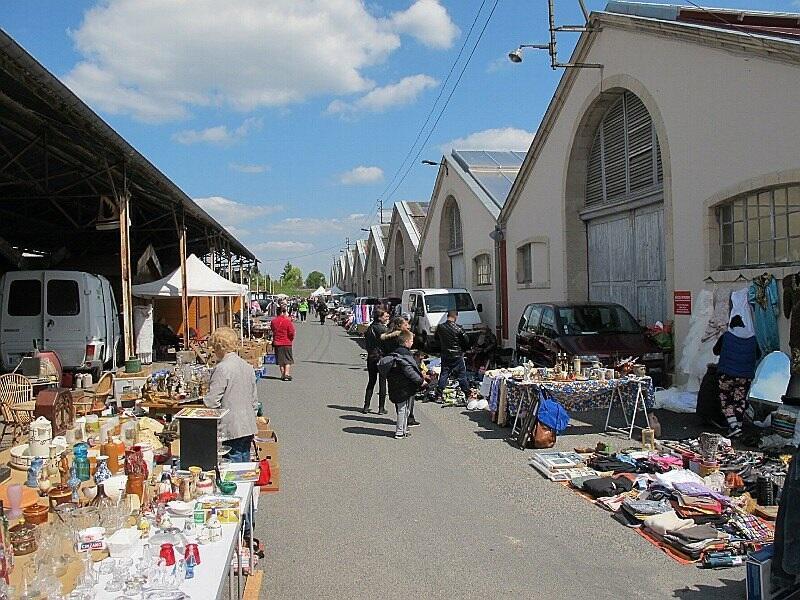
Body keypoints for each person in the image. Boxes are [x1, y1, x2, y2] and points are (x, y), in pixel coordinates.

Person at [203, 327, 258, 462]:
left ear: (220, 347)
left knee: (234, 462)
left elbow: (212, 401)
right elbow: (254, 399)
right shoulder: (246, 366)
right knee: (244, 459)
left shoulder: (222, 368)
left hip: (232, 425)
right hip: (248, 422)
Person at [713, 314, 759, 437]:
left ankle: (733, 425)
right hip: (745, 375)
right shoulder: (752, 338)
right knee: (740, 399)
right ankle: (738, 425)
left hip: (727, 374)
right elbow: (758, 355)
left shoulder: (727, 336)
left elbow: (715, 350)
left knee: (726, 399)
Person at [380, 330, 426, 439]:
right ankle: (400, 432)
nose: (412, 343)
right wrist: (421, 381)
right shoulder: (405, 355)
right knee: (403, 410)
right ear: (406, 342)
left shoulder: (395, 353)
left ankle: (404, 429)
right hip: (404, 387)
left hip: (395, 385)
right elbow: (410, 371)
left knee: (404, 409)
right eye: (411, 341)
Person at [380, 316, 420, 426]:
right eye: (406, 324)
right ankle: (407, 419)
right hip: (402, 367)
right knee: (408, 394)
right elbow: (404, 354)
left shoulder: (386, 337)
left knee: (396, 392)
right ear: (399, 326)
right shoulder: (401, 338)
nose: (408, 326)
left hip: (390, 367)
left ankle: (401, 417)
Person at [436, 310, 471, 400]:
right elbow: (466, 340)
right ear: (455, 316)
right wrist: (464, 349)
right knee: (461, 375)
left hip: (445, 354)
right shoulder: (458, 328)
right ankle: (467, 392)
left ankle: (439, 393)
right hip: (457, 354)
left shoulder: (440, 327)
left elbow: (436, 338)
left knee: (444, 373)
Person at [363, 308, 389, 414]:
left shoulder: (370, 328)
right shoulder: (382, 329)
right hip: (381, 358)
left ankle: (366, 406)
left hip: (371, 357)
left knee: (371, 382)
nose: (387, 318)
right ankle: (381, 408)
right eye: (385, 316)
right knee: (382, 382)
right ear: (379, 317)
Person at [271, 306, 296, 381]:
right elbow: (291, 332)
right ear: (283, 312)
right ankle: (286, 374)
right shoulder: (287, 321)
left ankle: (282, 374)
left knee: (280, 359)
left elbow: (272, 330)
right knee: (288, 359)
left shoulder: (273, 321)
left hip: (277, 342)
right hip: (287, 342)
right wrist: (291, 339)